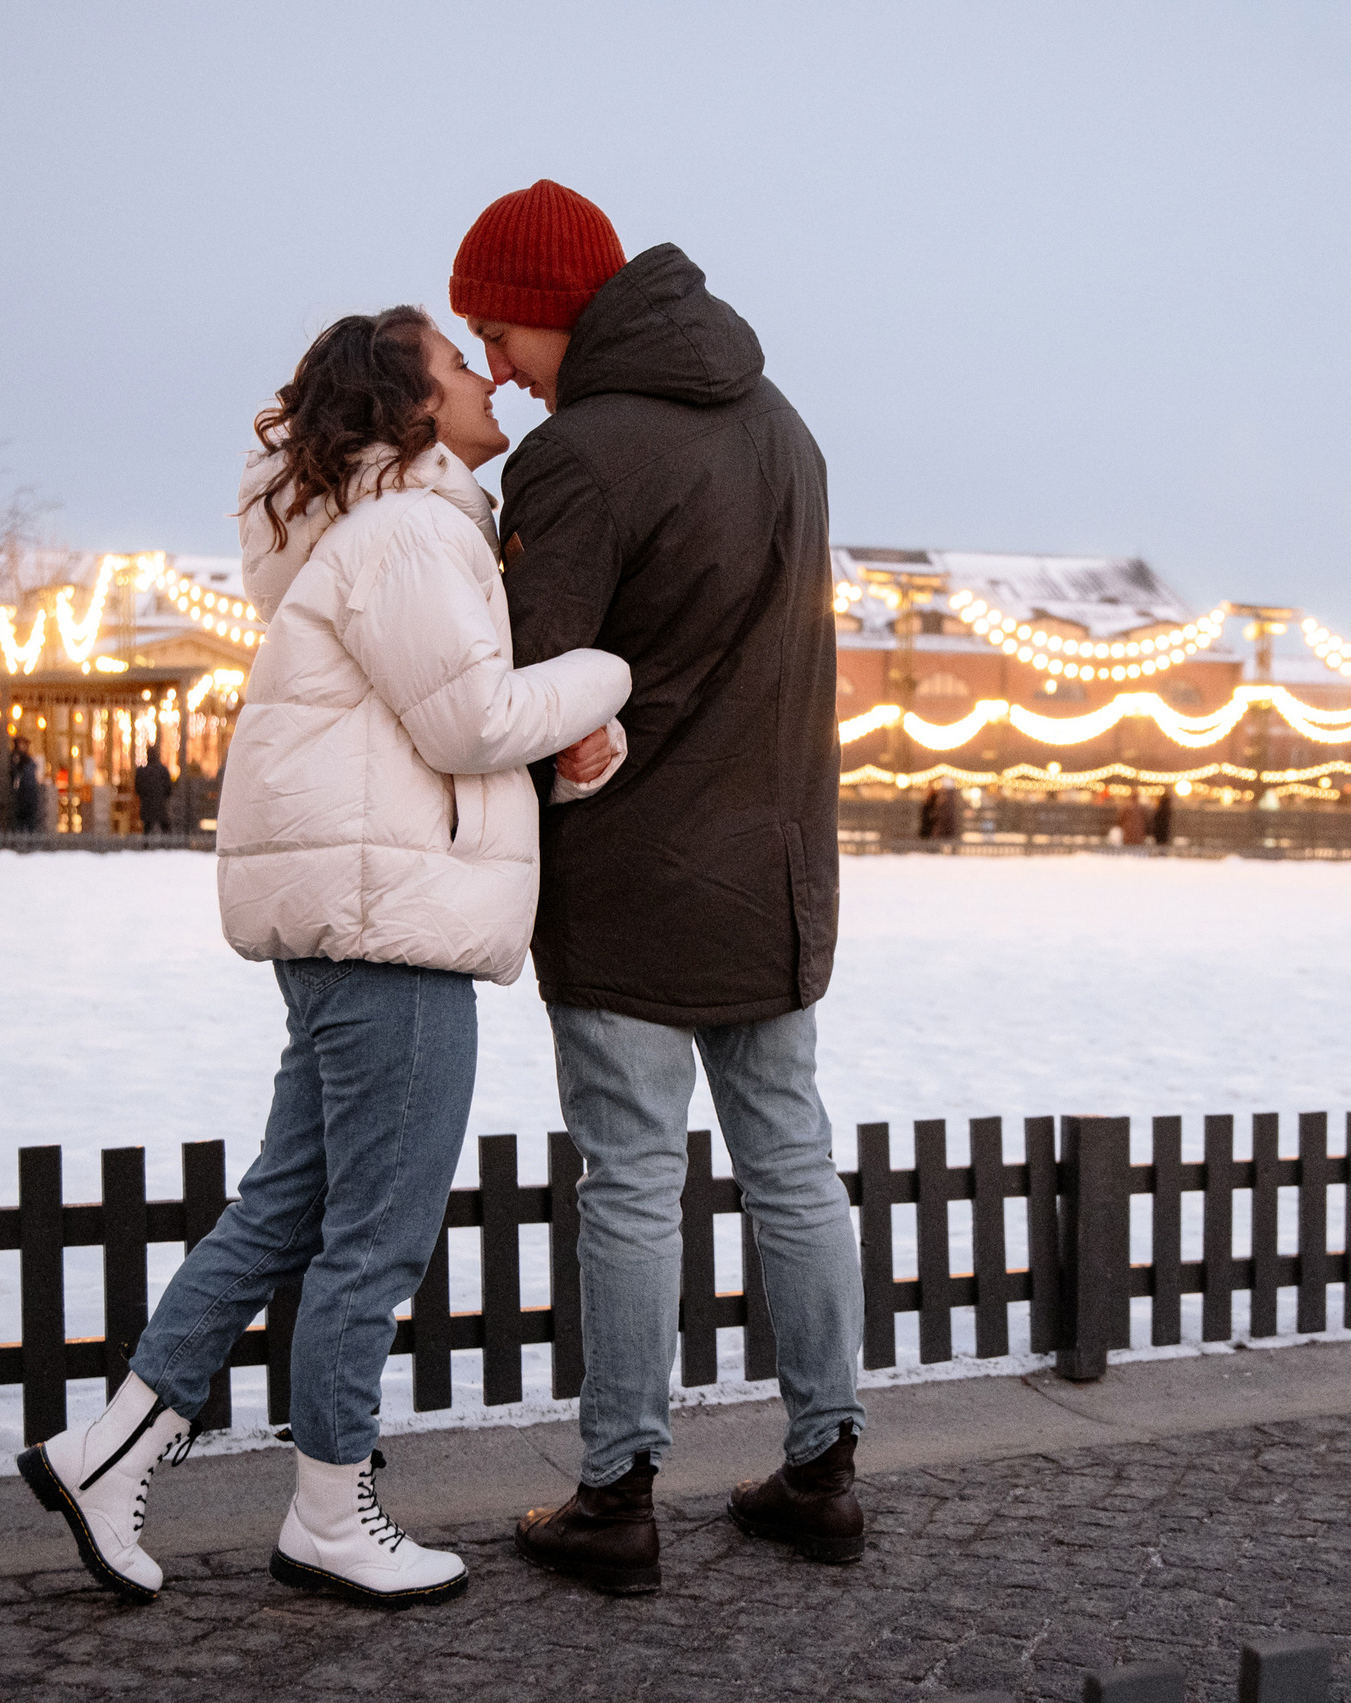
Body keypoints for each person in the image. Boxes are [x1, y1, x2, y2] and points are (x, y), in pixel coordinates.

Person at [17, 304, 630, 1610]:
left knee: (285, 1209)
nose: (485, 376)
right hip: (390, 930)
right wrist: (605, 676)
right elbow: (470, 718)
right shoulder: (411, 529)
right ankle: (329, 1510)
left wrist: (566, 732)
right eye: (457, 364)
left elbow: (439, 733)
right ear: (410, 405)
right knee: (376, 1236)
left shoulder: (380, 531)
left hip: (363, 918)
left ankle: (107, 1446)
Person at [457, 181, 866, 1594]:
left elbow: (520, 676)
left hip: (632, 877)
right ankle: (823, 1469)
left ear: (557, 306)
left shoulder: (581, 457)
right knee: (794, 1161)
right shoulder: (787, 429)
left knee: (633, 1176)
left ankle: (618, 1492)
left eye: (498, 328)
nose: (495, 364)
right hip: (779, 875)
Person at [134, 743, 175, 836]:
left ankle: (146, 846)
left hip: (146, 806)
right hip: (161, 806)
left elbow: (138, 789)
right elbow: (168, 790)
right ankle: (168, 847)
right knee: (165, 830)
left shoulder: (142, 772)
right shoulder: (163, 771)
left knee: (147, 828)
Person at [8, 737, 45, 832]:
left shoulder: (28, 761)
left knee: (30, 823)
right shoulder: (15, 760)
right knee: (21, 823)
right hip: (21, 798)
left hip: (29, 796)